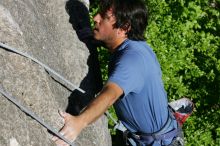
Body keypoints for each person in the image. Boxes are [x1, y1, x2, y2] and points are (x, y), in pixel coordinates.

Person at [52, 0, 183, 145]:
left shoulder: (132, 59)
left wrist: (78, 123)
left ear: (124, 27)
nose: (96, 18)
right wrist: (91, 36)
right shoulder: (133, 46)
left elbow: (110, 94)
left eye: (104, 16)